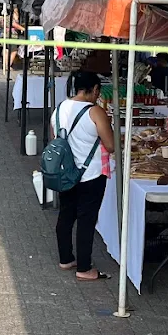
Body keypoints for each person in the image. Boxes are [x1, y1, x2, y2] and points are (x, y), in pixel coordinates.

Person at [52, 71, 116, 280]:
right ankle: (85, 268)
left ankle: (65, 259)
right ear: (95, 89)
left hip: (66, 173)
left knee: (66, 216)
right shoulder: (95, 112)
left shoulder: (59, 108)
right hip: (91, 174)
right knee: (86, 221)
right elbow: (111, 145)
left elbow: (56, 140)